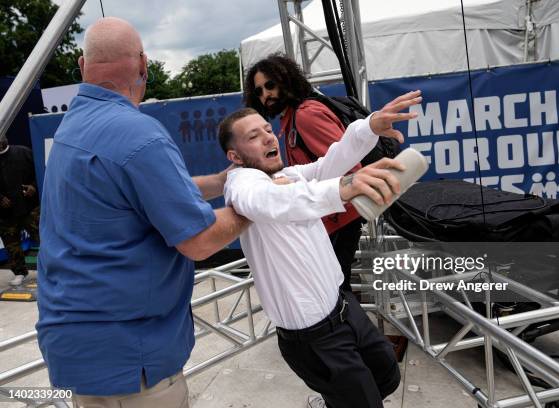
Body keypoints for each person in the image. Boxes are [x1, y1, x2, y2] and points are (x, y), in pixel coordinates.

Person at [36, 17, 249, 408]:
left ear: (83, 66)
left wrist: (219, 182)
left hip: (78, 350)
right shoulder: (139, 134)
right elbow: (199, 242)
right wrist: (253, 204)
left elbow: (140, 193)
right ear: (144, 65)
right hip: (132, 362)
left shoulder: (72, 127)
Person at [219, 90, 422, 408]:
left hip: (343, 309)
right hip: (314, 339)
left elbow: (332, 161)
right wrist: (345, 187)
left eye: (268, 130)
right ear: (235, 156)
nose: (268, 139)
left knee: (386, 376)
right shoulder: (242, 185)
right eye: (253, 137)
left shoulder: (287, 175)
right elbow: (269, 202)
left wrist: (368, 126)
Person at [245, 54, 365, 292]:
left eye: (270, 85)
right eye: (259, 91)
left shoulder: (306, 115)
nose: (265, 95)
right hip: (329, 218)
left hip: (339, 218)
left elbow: (348, 164)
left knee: (335, 291)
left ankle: (354, 330)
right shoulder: (291, 118)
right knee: (335, 290)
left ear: (286, 80)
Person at [0, 134, 39, 286]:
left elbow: (40, 171)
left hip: (30, 208)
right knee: (11, 244)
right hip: (6, 213)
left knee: (45, 238)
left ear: (6, 138)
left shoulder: (24, 152)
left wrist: (33, 187)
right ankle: (20, 272)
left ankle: (53, 269)